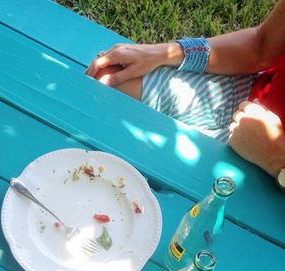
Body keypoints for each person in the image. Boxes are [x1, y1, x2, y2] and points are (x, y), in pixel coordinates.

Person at [85, 0, 285, 183]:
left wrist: (276, 160)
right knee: (110, 78)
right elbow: (262, 44)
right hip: (246, 95)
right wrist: (165, 52)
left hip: (271, 172)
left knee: (174, 197)